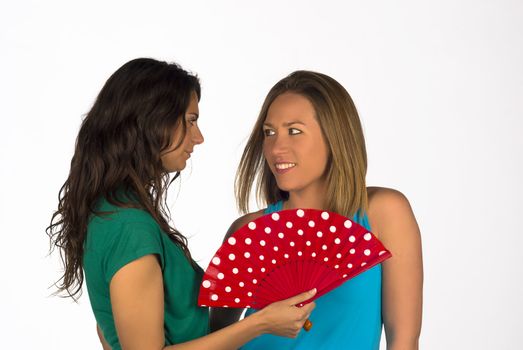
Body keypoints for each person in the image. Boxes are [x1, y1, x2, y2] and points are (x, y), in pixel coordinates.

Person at [46, 58, 317, 350]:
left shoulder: (112, 213)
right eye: (190, 120)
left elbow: (107, 330)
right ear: (152, 120)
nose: (198, 137)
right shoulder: (129, 227)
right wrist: (260, 323)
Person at [210, 70, 423, 349]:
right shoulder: (247, 231)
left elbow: (404, 340)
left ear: (335, 136)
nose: (277, 147)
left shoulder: (384, 213)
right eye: (269, 132)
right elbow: (215, 340)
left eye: (294, 131)